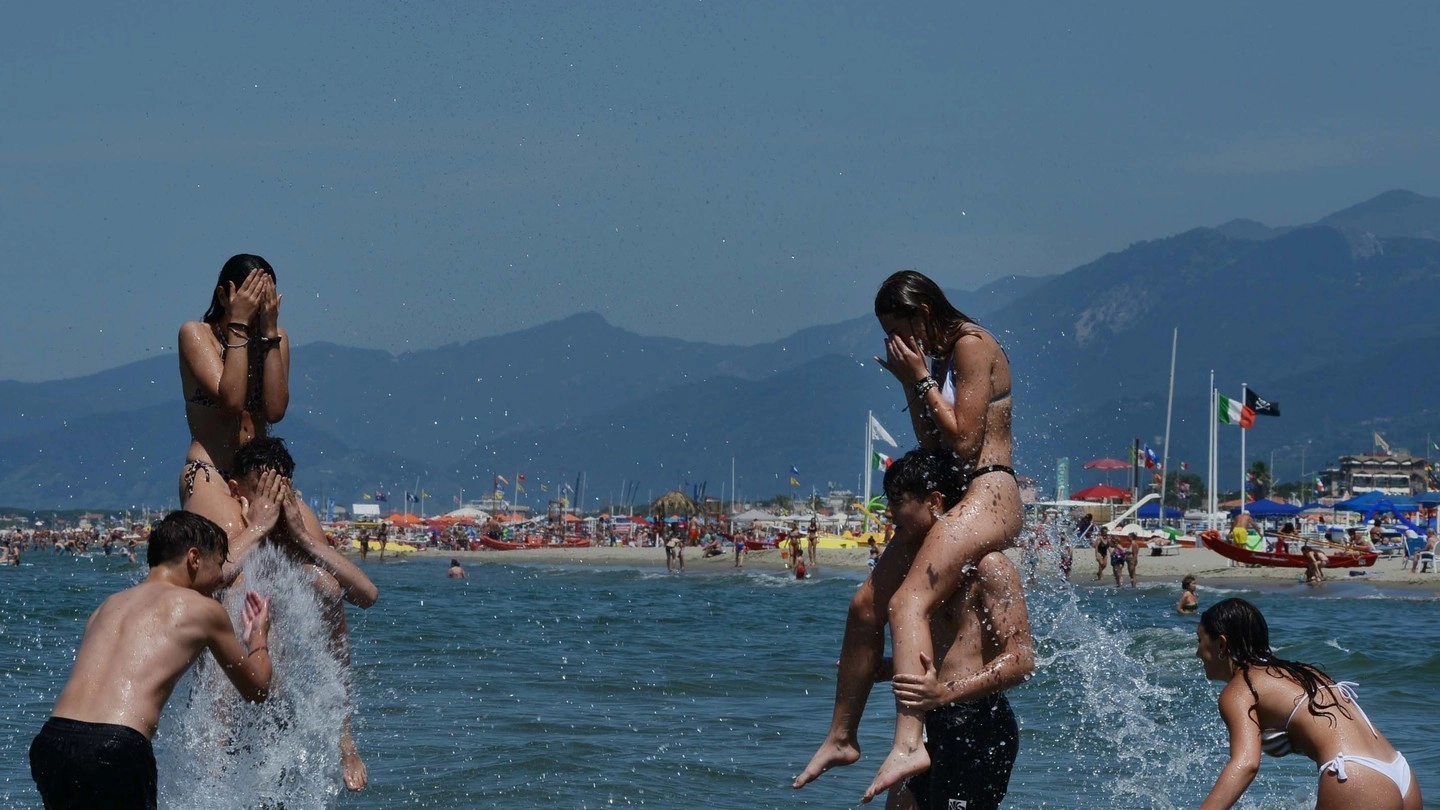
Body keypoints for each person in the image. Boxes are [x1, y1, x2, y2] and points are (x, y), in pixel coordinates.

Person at [794, 449, 1033, 809]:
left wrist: (946, 692)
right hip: (933, 721)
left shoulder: (990, 567)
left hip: (976, 726)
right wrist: (889, 668)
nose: (889, 514)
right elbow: (951, 650)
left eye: (897, 503)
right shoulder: (922, 571)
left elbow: (1021, 661)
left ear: (935, 502)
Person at [867, 271, 1023, 801]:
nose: (901, 343)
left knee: (907, 600)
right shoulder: (936, 356)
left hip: (987, 487)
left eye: (902, 329)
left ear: (924, 312)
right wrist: (912, 380)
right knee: (869, 602)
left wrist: (922, 379)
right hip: (960, 490)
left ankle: (908, 741)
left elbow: (964, 441)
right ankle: (842, 735)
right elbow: (928, 438)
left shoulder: (972, 346)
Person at [30, 511, 274, 810]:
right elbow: (257, 690)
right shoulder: (204, 609)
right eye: (219, 564)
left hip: (53, 742)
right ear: (194, 558)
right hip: (116, 748)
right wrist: (258, 637)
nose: (222, 579)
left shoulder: (108, 606)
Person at [196, 436, 378, 791]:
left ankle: (345, 738)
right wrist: (257, 527)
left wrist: (304, 540)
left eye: (279, 493)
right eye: (261, 492)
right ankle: (211, 773)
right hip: (230, 660)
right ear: (236, 489)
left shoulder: (298, 515)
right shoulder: (228, 517)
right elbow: (210, 580)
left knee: (325, 585)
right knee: (236, 590)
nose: (273, 504)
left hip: (279, 661)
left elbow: (367, 595)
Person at [1194, 598, 1421, 810]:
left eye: (1199, 641)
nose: (1197, 653)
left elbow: (1245, 764)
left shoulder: (1239, 690)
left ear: (1222, 644)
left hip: (1352, 776)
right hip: (1400, 772)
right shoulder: (1302, 672)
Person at [177, 255, 290, 538]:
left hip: (259, 475)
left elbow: (275, 410)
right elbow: (233, 400)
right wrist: (238, 323)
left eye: (265, 300)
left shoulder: (275, 338)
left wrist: (269, 334)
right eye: (251, 300)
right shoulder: (196, 334)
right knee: (232, 546)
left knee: (324, 577)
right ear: (222, 296)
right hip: (209, 472)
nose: (258, 310)